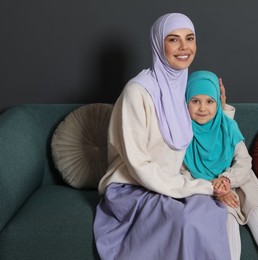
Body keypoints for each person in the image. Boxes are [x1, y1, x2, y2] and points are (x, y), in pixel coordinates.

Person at [93, 14, 232, 260]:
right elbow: (139, 165)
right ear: (158, 44)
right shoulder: (137, 91)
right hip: (132, 187)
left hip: (170, 184)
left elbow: (206, 135)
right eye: (173, 40)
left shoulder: (183, 89)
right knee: (184, 220)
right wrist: (199, 186)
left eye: (190, 39)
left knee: (212, 211)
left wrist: (223, 110)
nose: (184, 47)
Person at [182, 70, 258, 260]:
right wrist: (214, 187)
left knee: (256, 211)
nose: (202, 108)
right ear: (185, 102)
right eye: (195, 101)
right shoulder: (181, 133)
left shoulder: (227, 126)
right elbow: (181, 172)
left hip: (238, 180)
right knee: (228, 216)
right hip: (207, 187)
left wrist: (226, 179)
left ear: (218, 101)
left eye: (209, 101)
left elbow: (244, 161)